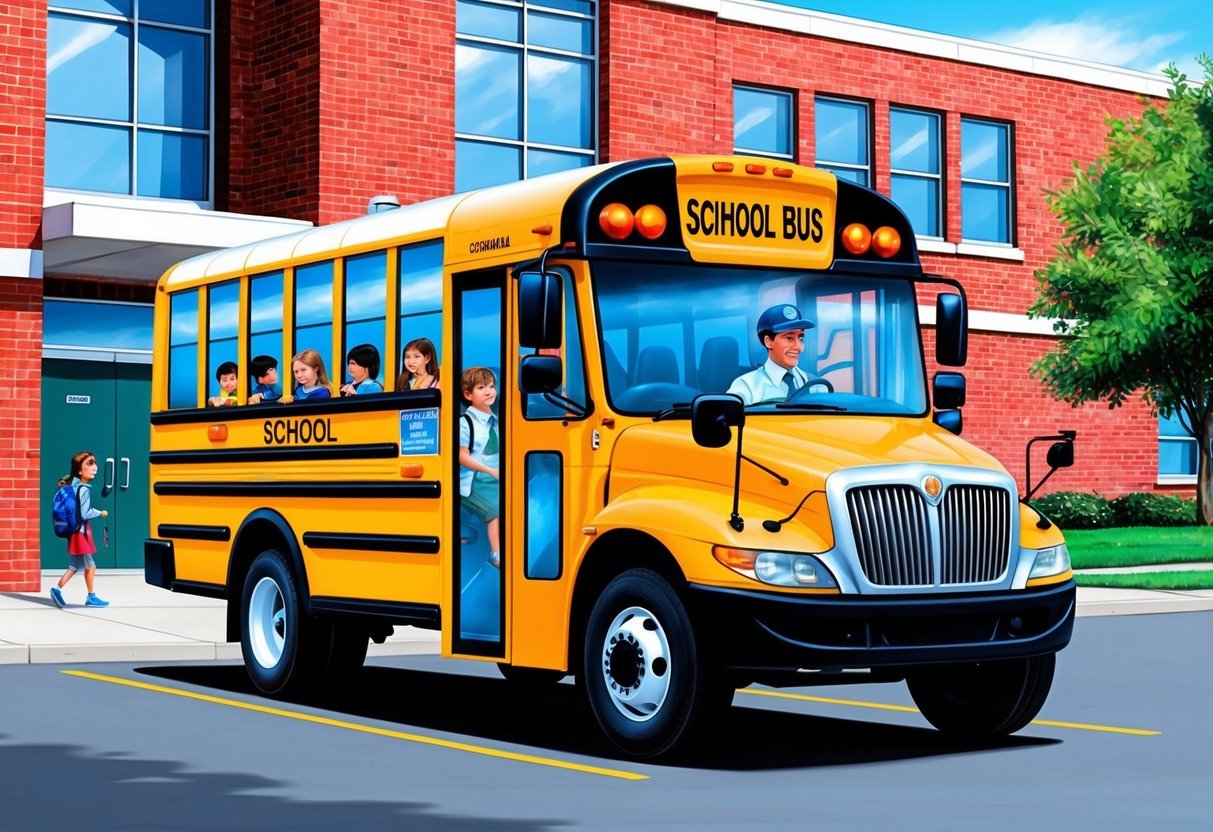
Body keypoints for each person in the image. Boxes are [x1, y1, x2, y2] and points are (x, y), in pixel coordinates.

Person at [49, 451, 109, 608]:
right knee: (90, 565)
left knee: (75, 565)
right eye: (90, 464)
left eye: (94, 463)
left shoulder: (73, 486)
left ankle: (56, 589)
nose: (95, 467)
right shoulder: (84, 489)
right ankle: (91, 597)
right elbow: (85, 513)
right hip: (81, 532)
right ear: (80, 471)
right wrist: (100, 512)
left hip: (76, 531)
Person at [727, 303, 815, 405]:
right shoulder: (746, 388)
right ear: (768, 341)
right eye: (789, 338)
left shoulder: (814, 385)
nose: (798, 347)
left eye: (801, 338)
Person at [459, 367, 500, 569]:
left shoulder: (497, 421)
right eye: (481, 387)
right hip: (473, 481)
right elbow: (462, 456)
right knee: (496, 507)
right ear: (468, 395)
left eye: (491, 386)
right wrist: (489, 471)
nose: (489, 391)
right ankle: (497, 553)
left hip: (495, 476)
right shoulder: (465, 423)